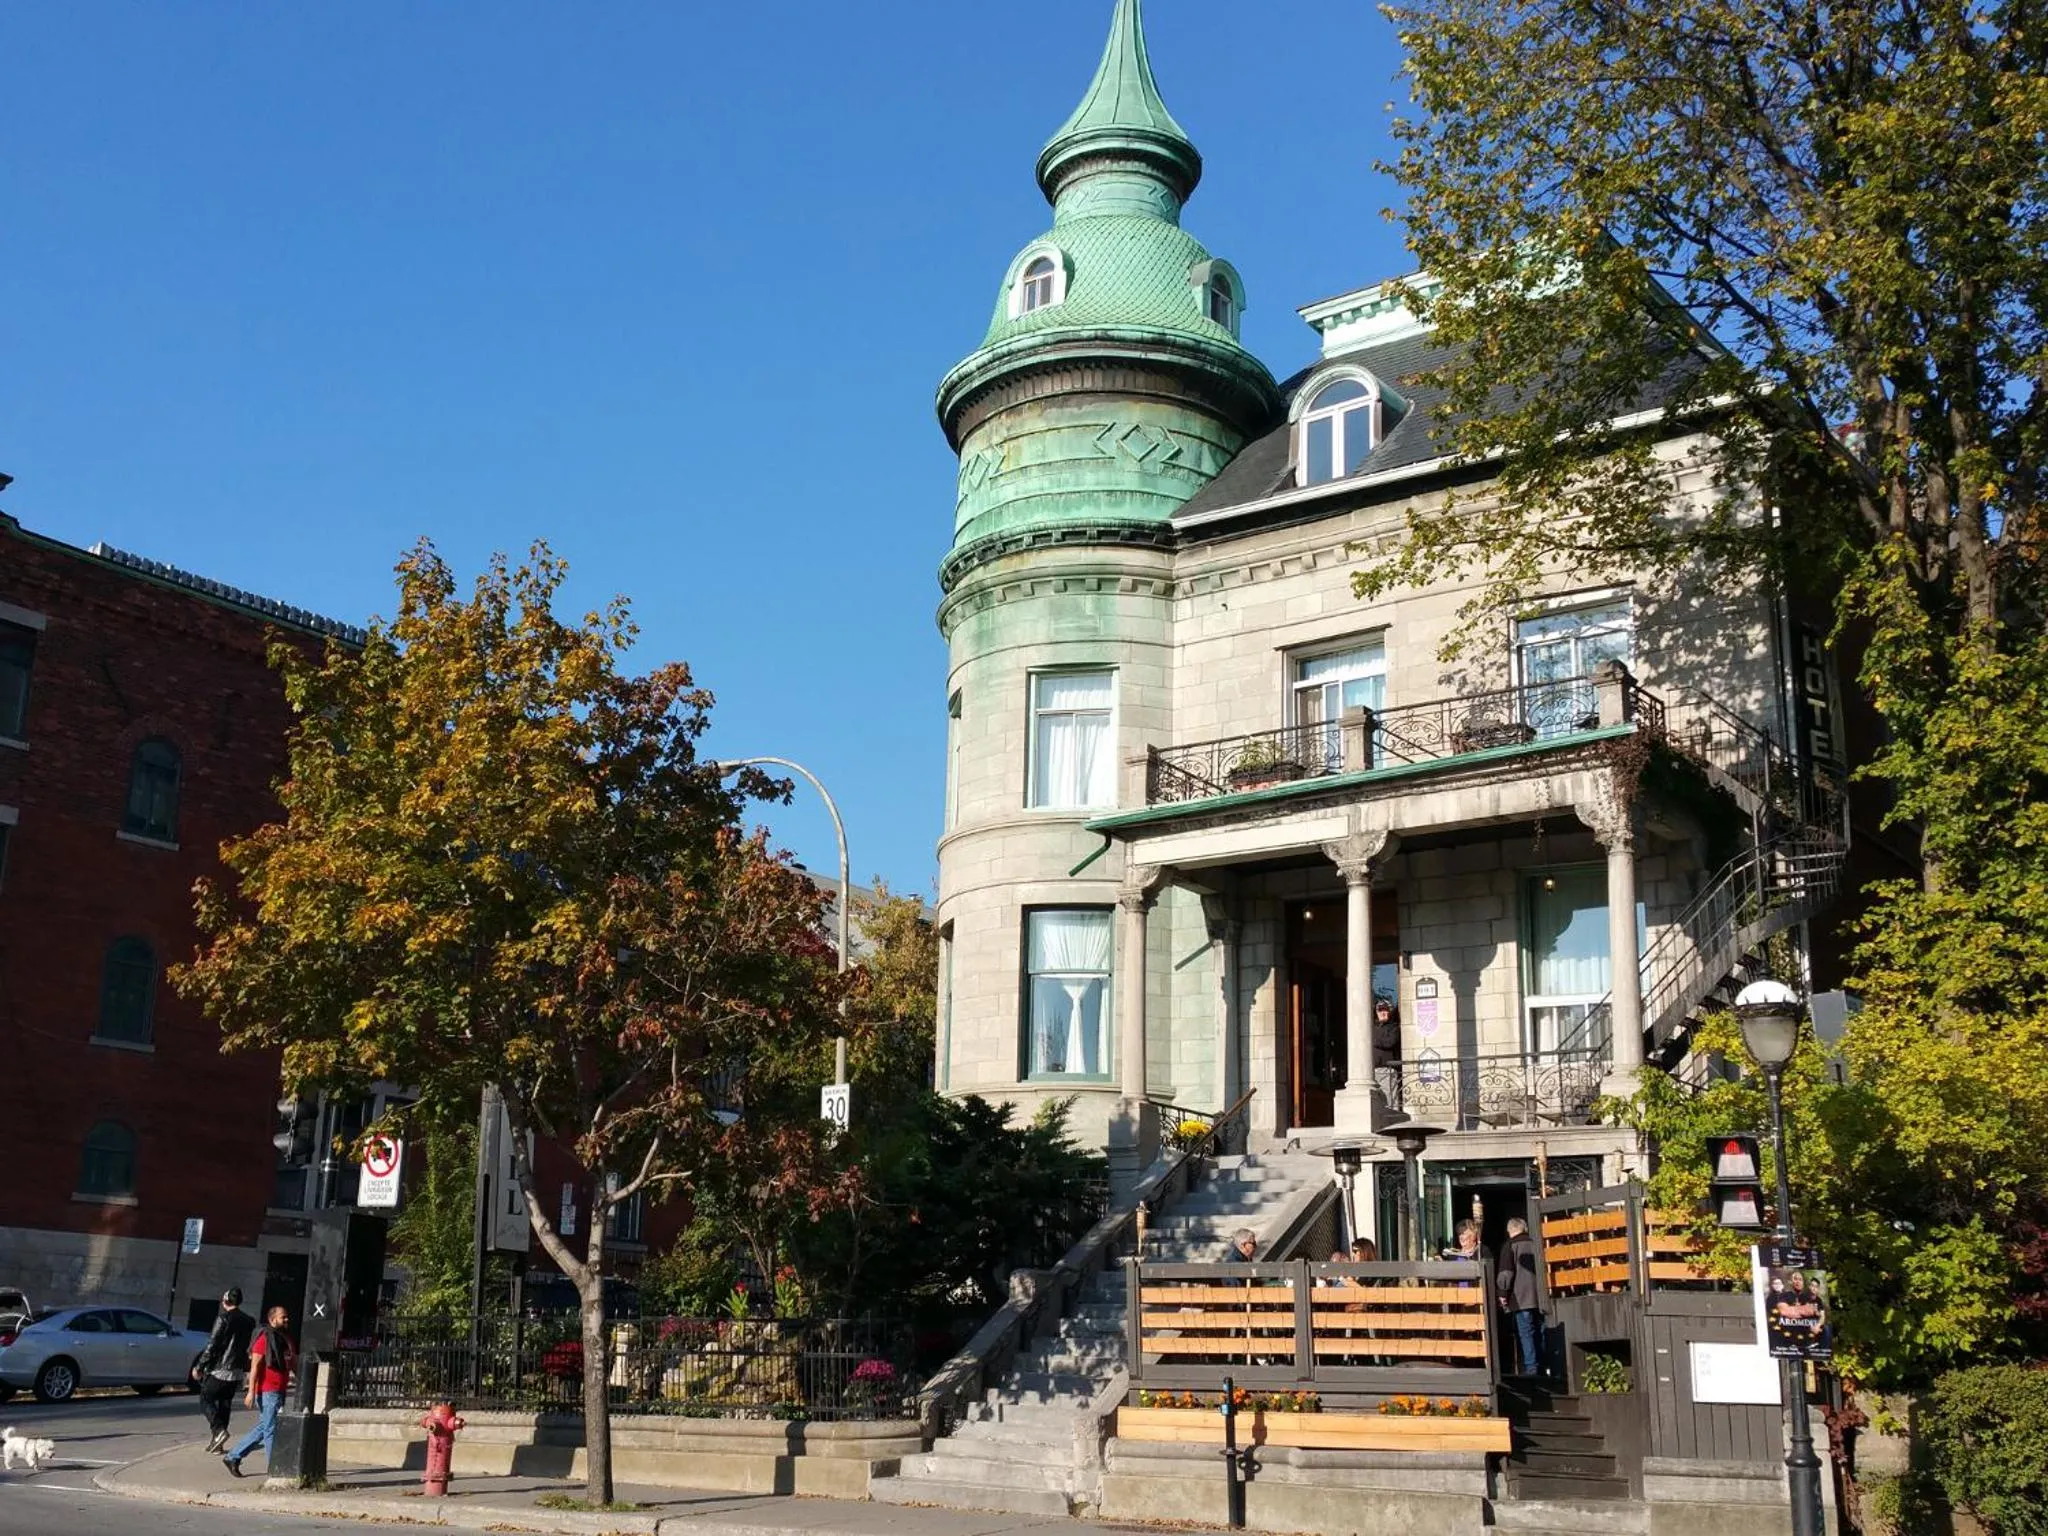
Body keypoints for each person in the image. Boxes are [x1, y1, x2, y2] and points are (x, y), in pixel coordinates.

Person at [223, 1305, 296, 1478]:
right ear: (272, 1319)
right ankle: (275, 1468)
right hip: (268, 1390)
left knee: (265, 1427)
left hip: (280, 1389)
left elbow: (293, 1362)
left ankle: (233, 1456)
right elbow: (255, 1367)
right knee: (271, 1429)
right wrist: (251, 1391)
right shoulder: (264, 1339)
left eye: (286, 1317)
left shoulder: (286, 1338)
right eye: (282, 1317)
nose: (286, 1320)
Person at [190, 1287, 256, 1454]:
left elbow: (213, 1345)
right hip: (237, 1368)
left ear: (225, 1301)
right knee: (224, 1403)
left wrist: (200, 1366)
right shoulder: (249, 1321)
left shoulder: (223, 1319)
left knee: (206, 1397)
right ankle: (218, 1442)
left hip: (221, 1367)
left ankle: (218, 1431)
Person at [1496, 1217, 1543, 1376]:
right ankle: (1543, 1365)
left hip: (1520, 1297)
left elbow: (1506, 1274)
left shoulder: (1509, 1246)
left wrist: (1502, 1293)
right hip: (1540, 1297)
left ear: (1510, 1230)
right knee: (1539, 1331)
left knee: (1525, 1332)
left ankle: (1531, 1368)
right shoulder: (1537, 1243)